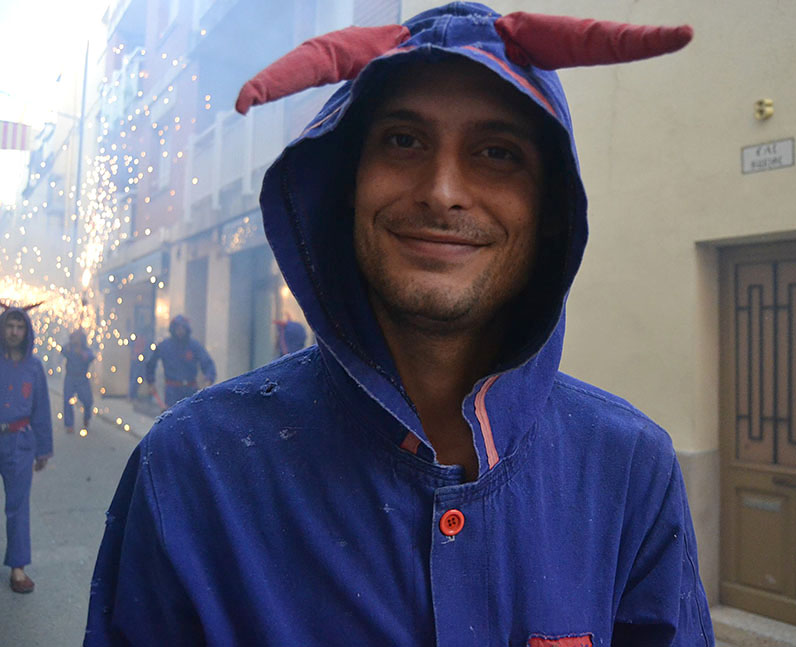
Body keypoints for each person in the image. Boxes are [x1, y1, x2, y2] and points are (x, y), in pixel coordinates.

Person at [86, 5, 713, 645]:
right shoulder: (193, 472)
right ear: (347, 184)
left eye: (497, 152)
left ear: (550, 208)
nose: (442, 191)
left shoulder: (628, 473)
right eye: (403, 141)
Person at [0, 305, 53, 594]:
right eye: (10, 326)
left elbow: (41, 408)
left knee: (17, 507)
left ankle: (18, 568)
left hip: (19, 442)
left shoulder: (34, 367)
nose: (14, 332)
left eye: (20, 327)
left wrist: (43, 449)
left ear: (27, 331)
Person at [142, 314, 216, 408]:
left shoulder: (194, 346)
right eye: (178, 327)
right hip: (172, 391)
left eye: (182, 327)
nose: (180, 330)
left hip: (190, 389)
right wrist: (150, 382)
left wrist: (209, 379)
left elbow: (207, 362)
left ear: (186, 329)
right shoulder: (165, 346)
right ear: (173, 328)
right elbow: (151, 364)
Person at [61, 329, 94, 433]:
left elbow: (91, 357)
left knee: (88, 401)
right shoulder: (69, 348)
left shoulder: (86, 350)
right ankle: (69, 424)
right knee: (68, 401)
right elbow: (63, 350)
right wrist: (72, 344)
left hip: (82, 379)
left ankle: (86, 417)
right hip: (70, 377)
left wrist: (82, 353)